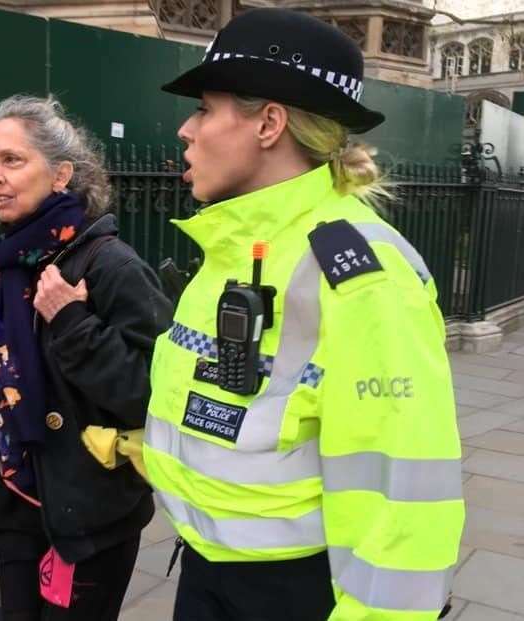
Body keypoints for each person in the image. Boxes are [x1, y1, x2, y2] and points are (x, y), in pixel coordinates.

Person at [141, 9, 465, 621]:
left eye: (206, 109)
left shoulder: (363, 275)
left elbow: (400, 493)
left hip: (291, 593)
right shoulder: (229, 245)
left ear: (269, 123)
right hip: (206, 568)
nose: (186, 129)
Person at [0, 95, 172, 621]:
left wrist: (73, 324)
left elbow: (155, 395)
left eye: (13, 160)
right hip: (16, 501)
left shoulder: (110, 265)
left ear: (61, 174)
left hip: (88, 513)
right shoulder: (6, 269)